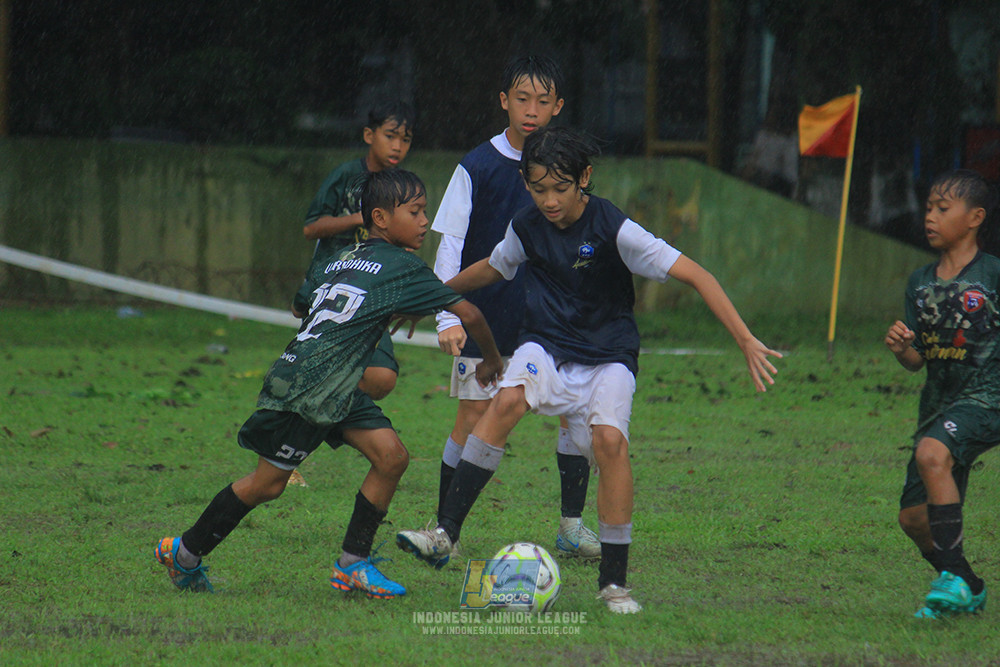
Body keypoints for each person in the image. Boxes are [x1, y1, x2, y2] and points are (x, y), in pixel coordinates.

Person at [397, 126, 781, 613]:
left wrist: (745, 339)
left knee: (608, 442)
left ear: (585, 179)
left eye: (560, 188)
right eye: (538, 189)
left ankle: (614, 584)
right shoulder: (526, 226)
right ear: (526, 183)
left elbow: (696, 274)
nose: (550, 201)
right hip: (548, 346)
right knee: (507, 399)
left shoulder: (613, 228)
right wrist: (437, 297)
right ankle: (445, 535)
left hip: (609, 356)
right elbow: (492, 267)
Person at [154, 169, 502, 599]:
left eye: (425, 212)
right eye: (415, 212)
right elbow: (470, 314)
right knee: (267, 484)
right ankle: (184, 553)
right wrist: (491, 360)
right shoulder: (403, 266)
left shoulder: (339, 259)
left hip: (335, 382)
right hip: (311, 389)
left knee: (391, 457)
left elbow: (303, 303)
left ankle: (353, 565)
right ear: (380, 216)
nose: (424, 222)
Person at [431, 55, 599, 558]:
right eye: (521, 99)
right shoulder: (475, 165)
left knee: (578, 415)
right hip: (486, 318)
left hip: (553, 319)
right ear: (504, 100)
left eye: (542, 101)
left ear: (558, 106)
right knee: (471, 416)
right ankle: (445, 533)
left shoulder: (567, 166)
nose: (531, 111)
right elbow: (451, 242)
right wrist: (446, 313)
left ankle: (571, 527)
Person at [885, 169, 1000, 620]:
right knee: (913, 519)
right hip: (938, 404)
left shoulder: (992, 275)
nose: (930, 217)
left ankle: (950, 580)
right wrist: (902, 348)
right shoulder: (919, 282)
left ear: (974, 218)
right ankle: (968, 584)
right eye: (929, 207)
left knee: (933, 454)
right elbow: (918, 361)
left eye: (942, 209)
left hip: (988, 397)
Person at [292, 101, 416, 401]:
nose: (398, 146)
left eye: (406, 139)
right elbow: (311, 228)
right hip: (332, 288)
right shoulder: (346, 176)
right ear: (368, 135)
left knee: (381, 378)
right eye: (391, 136)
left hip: (372, 294)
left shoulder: (403, 187)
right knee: (327, 368)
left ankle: (328, 409)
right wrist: (360, 217)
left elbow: (407, 242)